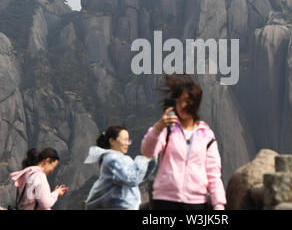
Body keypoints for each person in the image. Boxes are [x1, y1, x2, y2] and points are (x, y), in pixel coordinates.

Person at [141, 74, 227, 210]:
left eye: (187, 101)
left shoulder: (206, 135)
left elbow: (214, 174)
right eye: (179, 101)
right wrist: (158, 128)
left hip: (196, 203)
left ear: (196, 102)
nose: (182, 105)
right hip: (165, 201)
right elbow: (147, 151)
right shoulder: (167, 130)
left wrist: (219, 205)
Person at [84, 125, 154, 210]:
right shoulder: (111, 159)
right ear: (112, 141)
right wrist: (143, 158)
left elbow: (139, 178)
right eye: (124, 140)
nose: (127, 143)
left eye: (128, 140)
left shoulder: (124, 159)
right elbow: (132, 179)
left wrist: (151, 161)